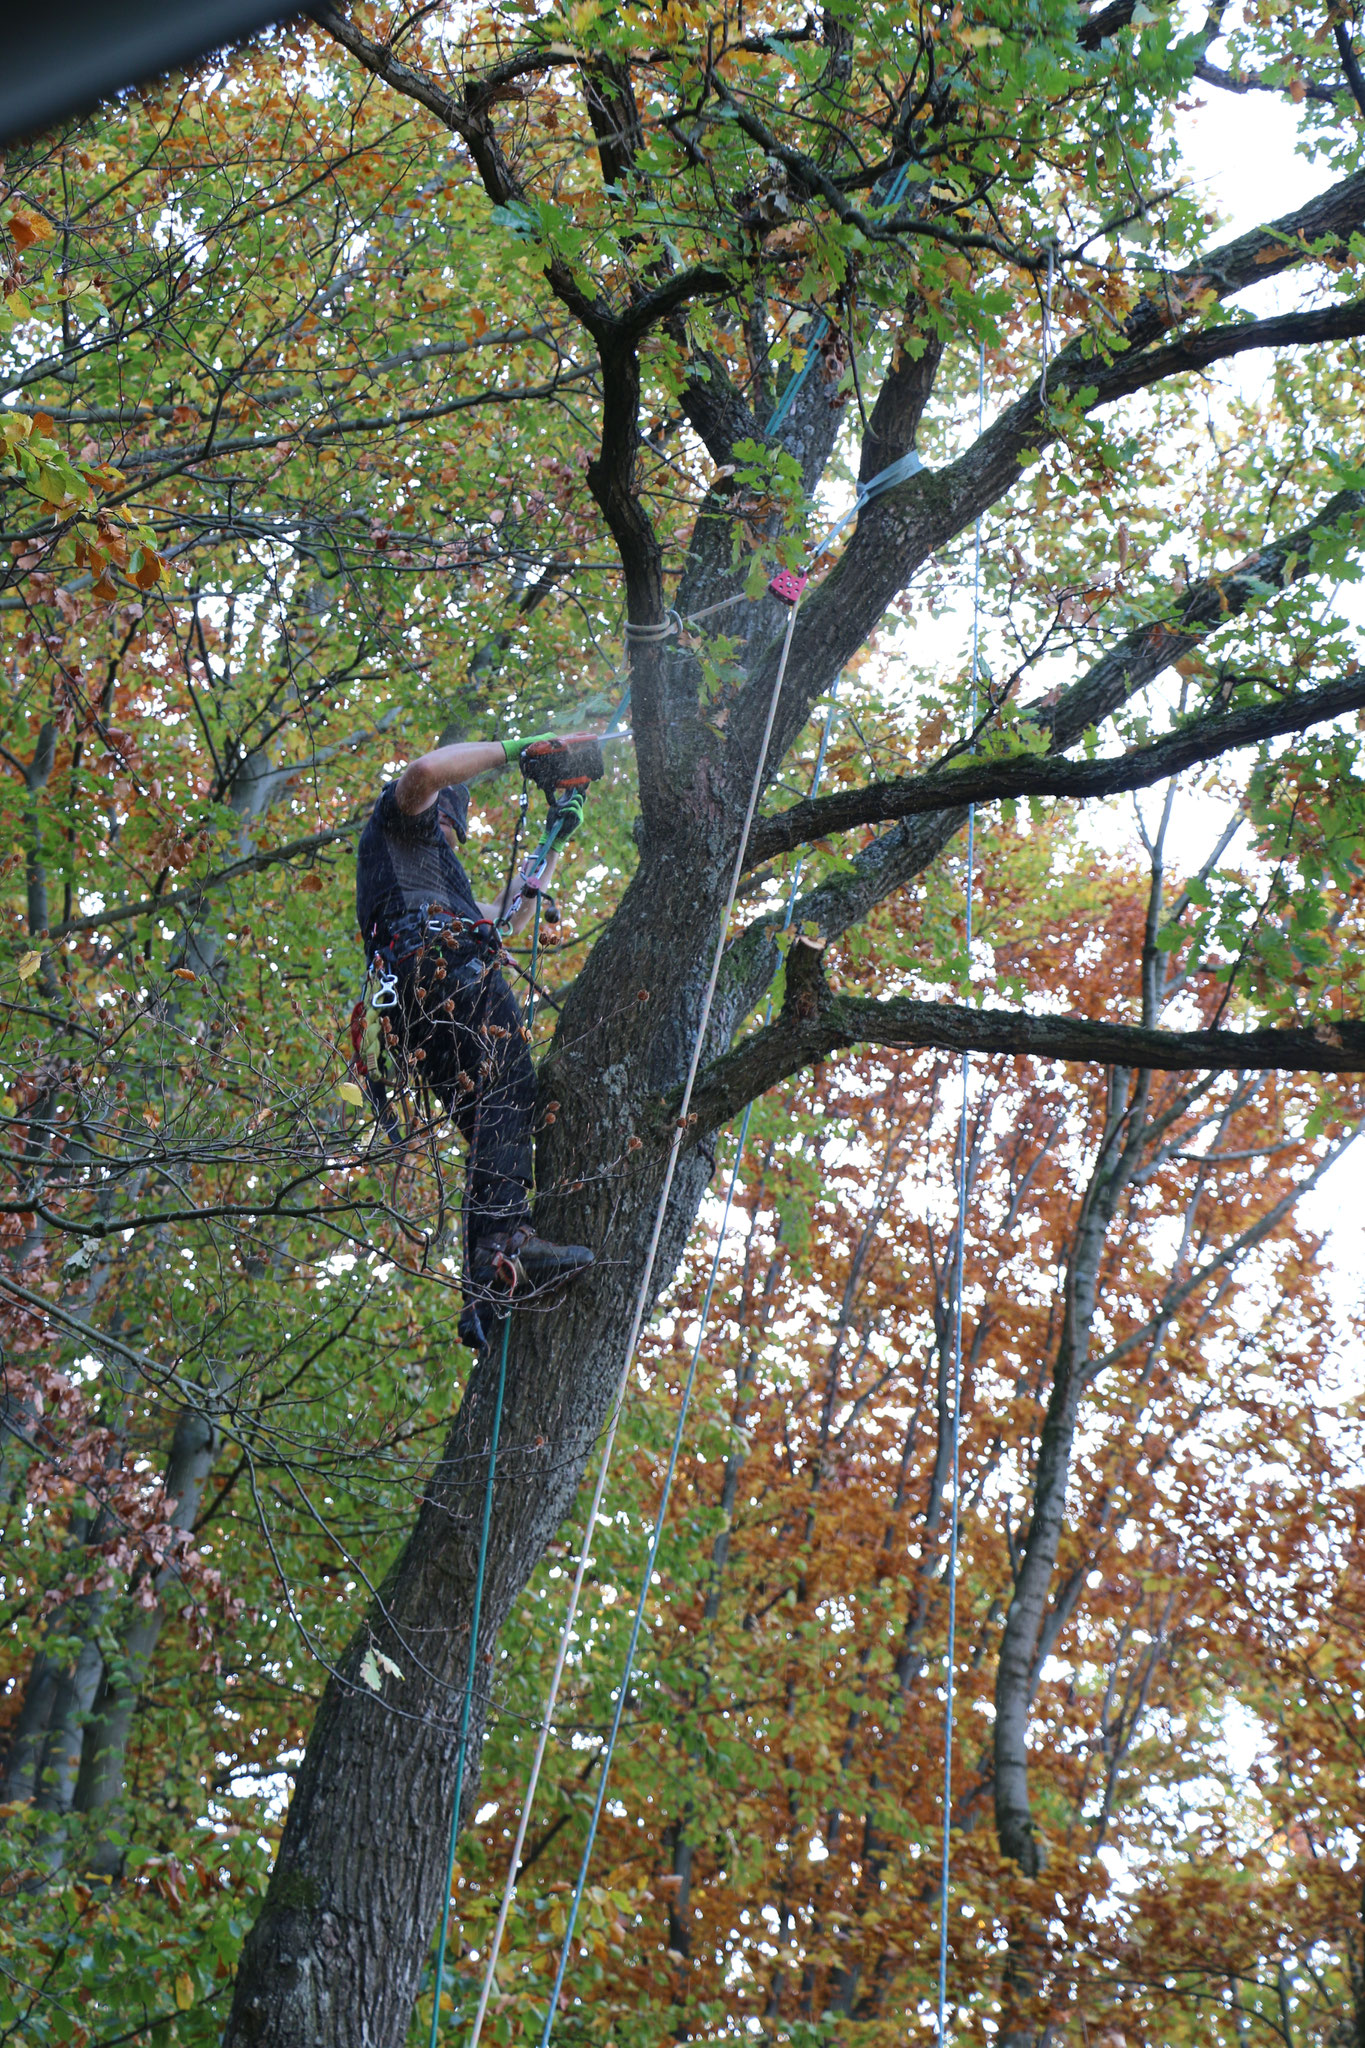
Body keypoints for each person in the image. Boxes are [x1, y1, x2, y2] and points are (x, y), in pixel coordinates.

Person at [354, 731, 593, 1349]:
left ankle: (487, 1287)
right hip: (439, 968)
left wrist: (556, 833)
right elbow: (424, 771)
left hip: (416, 1005)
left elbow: (504, 914)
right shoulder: (401, 823)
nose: (455, 831)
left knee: (497, 1126)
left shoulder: (431, 870)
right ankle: (505, 1245)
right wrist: (519, 750)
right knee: (512, 1086)